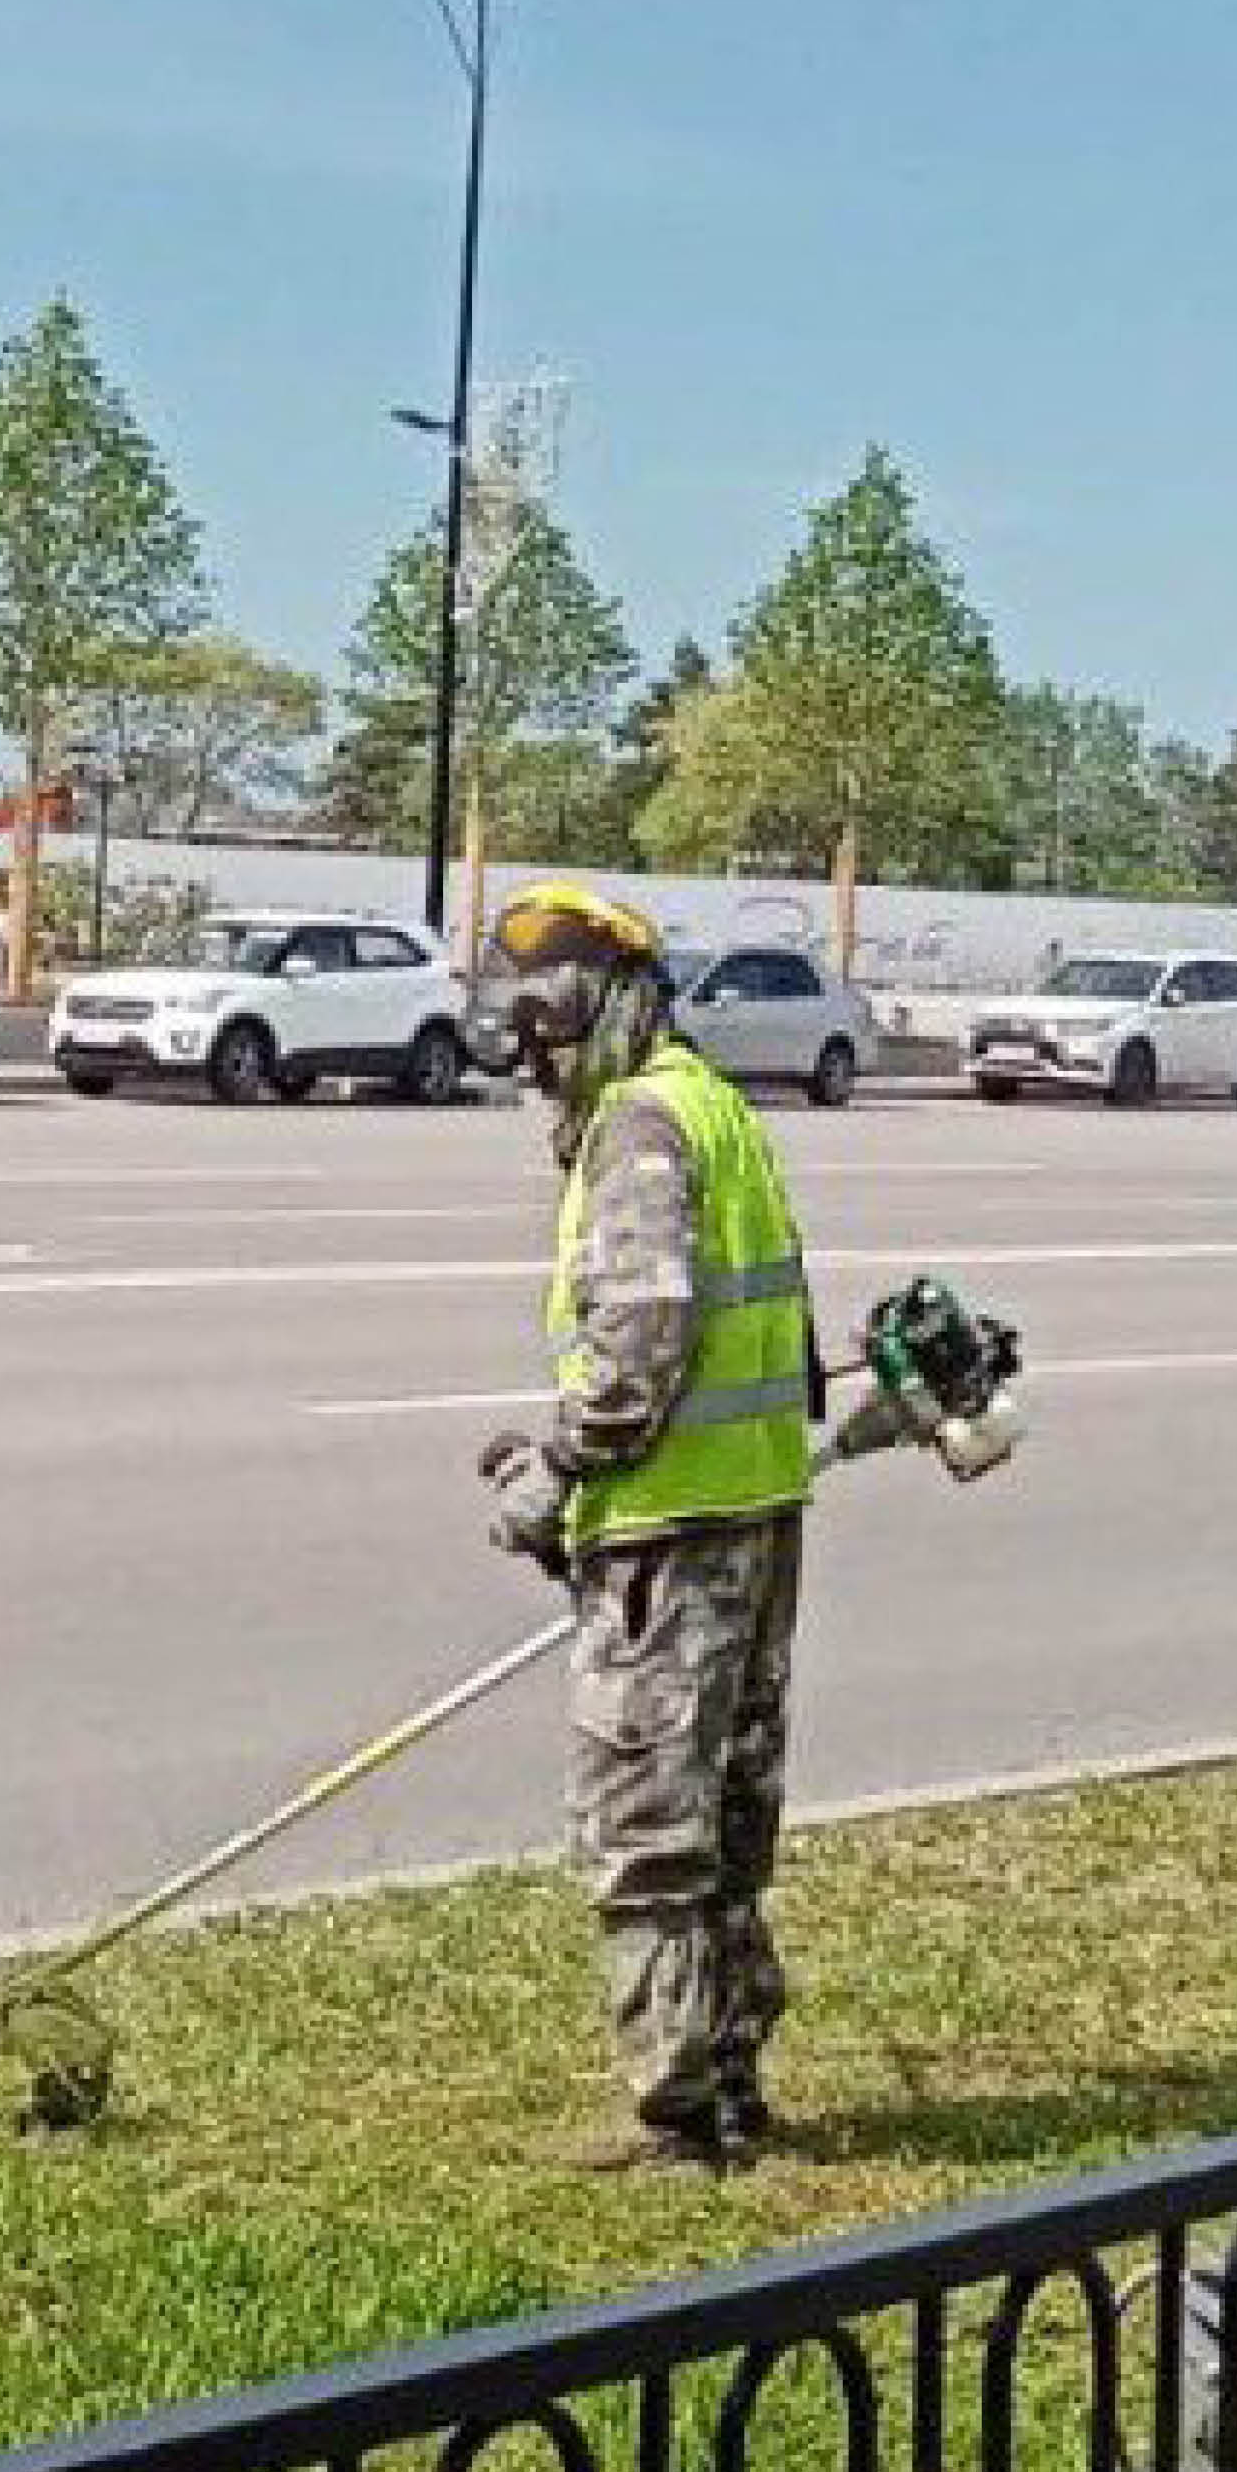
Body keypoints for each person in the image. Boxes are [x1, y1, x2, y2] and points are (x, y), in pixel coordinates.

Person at [472, 881, 818, 2171]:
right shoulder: (708, 1102)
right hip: (750, 1513)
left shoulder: (640, 1124)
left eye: (553, 1029)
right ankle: (731, 2080)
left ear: (613, 1006)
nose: (537, 1058)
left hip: (673, 1534)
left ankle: (679, 2110)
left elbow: (642, 1337)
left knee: (647, 1827)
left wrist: (557, 1467)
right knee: (727, 1822)